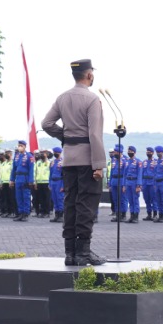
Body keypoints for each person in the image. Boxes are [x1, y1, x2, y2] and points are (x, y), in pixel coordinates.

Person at [41, 58, 106, 266]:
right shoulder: (92, 99)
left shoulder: (62, 98)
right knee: (86, 204)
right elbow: (95, 135)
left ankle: (70, 253)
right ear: (89, 75)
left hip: (68, 159)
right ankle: (83, 252)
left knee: (70, 203)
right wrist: (98, 165)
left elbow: (46, 123)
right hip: (88, 160)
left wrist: (66, 137)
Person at [123, 146, 142, 224]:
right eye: (128, 151)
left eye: (131, 151)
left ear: (134, 152)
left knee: (135, 200)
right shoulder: (127, 161)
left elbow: (140, 174)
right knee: (130, 200)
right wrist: (124, 185)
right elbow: (124, 174)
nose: (129, 152)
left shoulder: (138, 162)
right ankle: (131, 216)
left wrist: (138, 185)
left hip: (134, 182)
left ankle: (136, 217)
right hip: (128, 182)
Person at [49, 146, 65, 222]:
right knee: (54, 198)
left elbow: (65, 175)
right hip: (53, 182)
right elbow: (50, 174)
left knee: (60, 198)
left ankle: (61, 215)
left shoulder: (63, 162)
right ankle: (57, 215)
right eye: (54, 153)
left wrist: (63, 186)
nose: (55, 154)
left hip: (59, 182)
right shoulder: (52, 162)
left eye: (56, 153)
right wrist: (50, 184)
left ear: (60, 153)